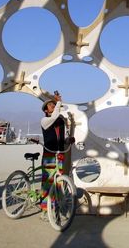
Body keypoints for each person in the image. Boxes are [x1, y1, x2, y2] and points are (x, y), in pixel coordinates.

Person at [39, 92, 73, 220]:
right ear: (46, 110)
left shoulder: (60, 121)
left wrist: (68, 141)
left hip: (59, 155)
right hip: (49, 153)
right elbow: (53, 117)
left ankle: (54, 207)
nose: (53, 105)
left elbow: (61, 138)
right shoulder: (45, 120)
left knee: (58, 183)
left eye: (54, 104)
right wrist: (59, 102)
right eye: (50, 105)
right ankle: (44, 209)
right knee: (48, 182)